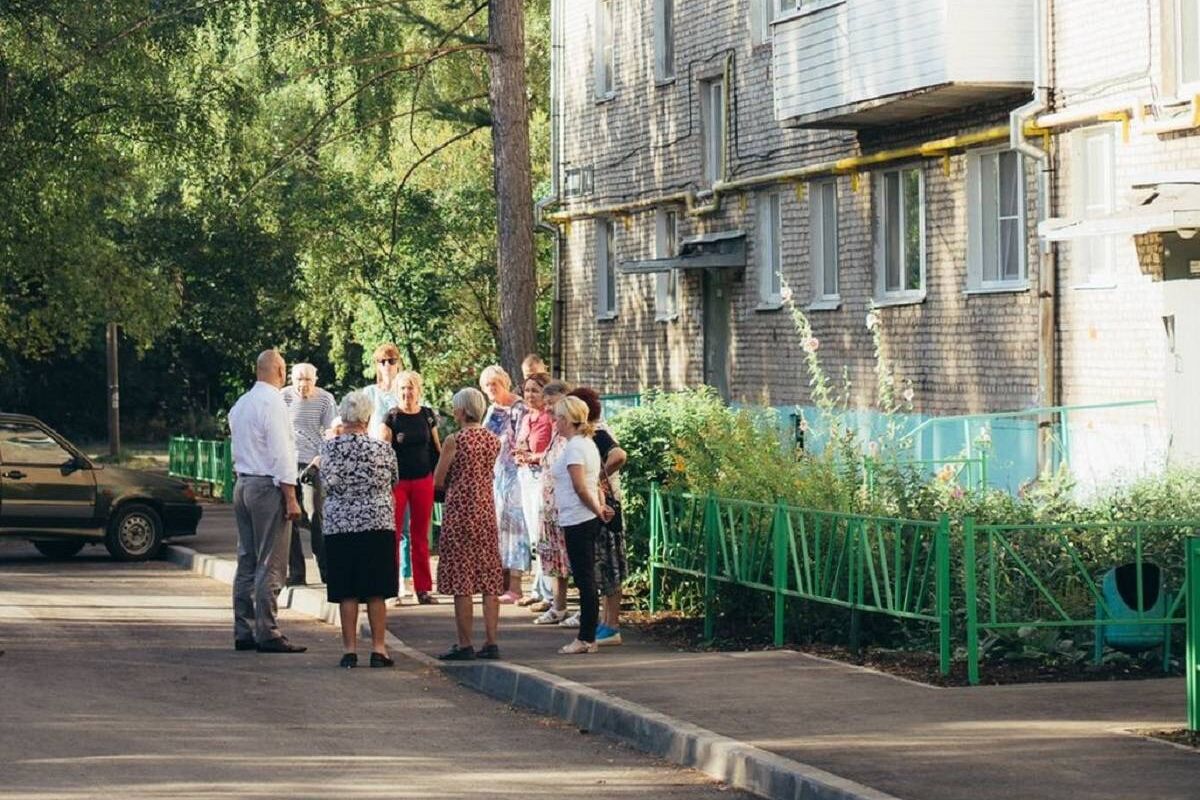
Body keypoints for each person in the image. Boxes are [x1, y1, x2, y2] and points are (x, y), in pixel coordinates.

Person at [228, 349, 305, 654]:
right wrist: (290, 496)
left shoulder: (242, 403)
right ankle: (268, 631)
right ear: (279, 371)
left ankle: (243, 628)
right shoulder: (273, 403)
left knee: (246, 559)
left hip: (243, 481)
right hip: (266, 486)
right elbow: (281, 453)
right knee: (271, 560)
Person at [319, 391, 399, 668]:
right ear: (367, 418)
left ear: (343, 416)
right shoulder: (382, 449)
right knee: (376, 590)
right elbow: (393, 481)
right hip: (377, 523)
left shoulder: (328, 449)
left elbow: (326, 484)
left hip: (340, 524)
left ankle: (350, 650)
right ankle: (379, 649)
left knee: (347, 590)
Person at [433, 387, 503, 661]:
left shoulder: (455, 440)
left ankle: (465, 644)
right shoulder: (492, 440)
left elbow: (439, 479)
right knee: (488, 576)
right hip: (486, 510)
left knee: (462, 577)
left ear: (461, 411)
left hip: (461, 511)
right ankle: (491, 640)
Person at [551, 395, 614, 655]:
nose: (554, 422)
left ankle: (586, 637)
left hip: (578, 518)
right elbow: (594, 483)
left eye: (557, 418)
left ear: (566, 420)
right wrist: (599, 506)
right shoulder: (586, 443)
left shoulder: (576, 447)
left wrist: (597, 509)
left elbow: (580, 486)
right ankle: (588, 636)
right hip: (582, 516)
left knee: (585, 578)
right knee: (587, 577)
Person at [569, 386, 628, 646]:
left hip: (606, 507)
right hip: (598, 506)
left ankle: (612, 624)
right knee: (601, 566)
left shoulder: (598, 433)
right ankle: (605, 622)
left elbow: (618, 455)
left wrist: (599, 478)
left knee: (610, 564)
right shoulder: (587, 435)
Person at [383, 370, 441, 605]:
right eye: (403, 389)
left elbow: (436, 448)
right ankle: (392, 589)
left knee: (420, 536)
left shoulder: (427, 415)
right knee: (393, 535)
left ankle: (423, 588)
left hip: (423, 480)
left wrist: (438, 478)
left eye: (411, 388)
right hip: (398, 483)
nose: (407, 393)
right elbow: (383, 452)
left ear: (419, 390)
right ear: (398, 392)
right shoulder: (391, 418)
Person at [281, 362, 336, 586]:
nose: (303, 385)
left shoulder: (324, 399)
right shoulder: (283, 397)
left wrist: (319, 460)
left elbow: (332, 431)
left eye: (308, 380)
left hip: (313, 462)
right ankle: (296, 572)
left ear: (315, 380)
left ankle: (325, 570)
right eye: (299, 380)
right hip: (287, 461)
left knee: (316, 516)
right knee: (289, 516)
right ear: (291, 380)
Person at [480, 365, 529, 603]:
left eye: (494, 385)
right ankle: (499, 581)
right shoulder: (492, 410)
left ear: (504, 383)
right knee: (498, 527)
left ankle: (516, 585)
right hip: (497, 475)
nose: (491, 389)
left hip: (515, 474)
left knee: (515, 528)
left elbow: (522, 439)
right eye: (487, 386)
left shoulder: (518, 408)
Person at [532, 381, 574, 624]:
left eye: (552, 403)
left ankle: (585, 609)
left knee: (572, 558)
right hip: (550, 505)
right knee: (555, 558)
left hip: (566, 505)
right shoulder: (557, 431)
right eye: (546, 404)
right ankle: (558, 606)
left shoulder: (572, 432)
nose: (547, 408)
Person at [515, 373, 555, 609]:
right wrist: (520, 453)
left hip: (541, 476)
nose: (529, 395)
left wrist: (533, 457)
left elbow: (553, 451)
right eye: (527, 390)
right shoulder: (527, 417)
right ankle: (538, 589)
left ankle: (550, 594)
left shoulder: (549, 419)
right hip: (525, 475)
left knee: (544, 535)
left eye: (535, 391)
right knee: (533, 537)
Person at [362, 342, 403, 441]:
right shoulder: (369, 392)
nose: (387, 364)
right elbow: (361, 425)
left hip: (402, 448)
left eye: (391, 360)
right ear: (378, 366)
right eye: (382, 361)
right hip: (376, 449)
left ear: (398, 364)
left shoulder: (406, 391)